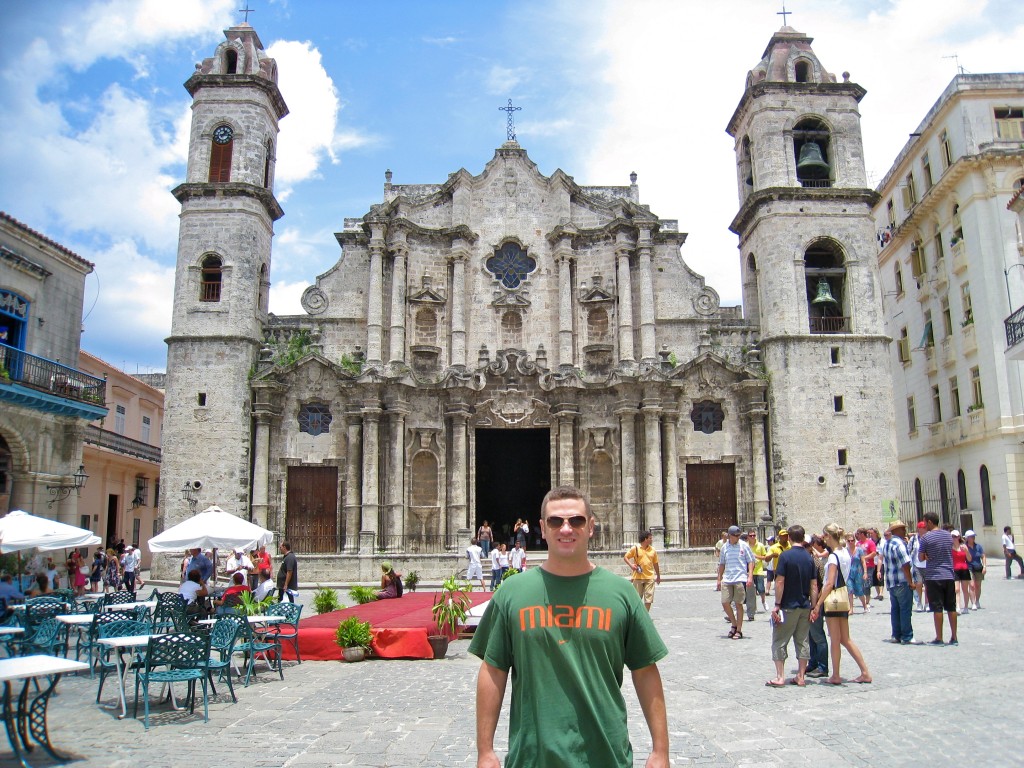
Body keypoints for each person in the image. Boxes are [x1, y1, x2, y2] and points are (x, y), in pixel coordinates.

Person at [470, 485, 669, 768]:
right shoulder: (511, 593)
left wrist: (660, 751)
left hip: (606, 757)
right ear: (541, 527)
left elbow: (646, 670)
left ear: (590, 526)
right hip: (533, 758)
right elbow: (493, 669)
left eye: (576, 520)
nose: (566, 528)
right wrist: (485, 751)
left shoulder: (621, 594)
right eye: (555, 521)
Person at [811, 524, 872, 684]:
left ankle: (836, 675)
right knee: (845, 639)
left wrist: (818, 604)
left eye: (824, 536)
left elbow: (829, 583)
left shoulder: (833, 557)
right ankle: (864, 671)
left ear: (829, 537)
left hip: (833, 598)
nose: (823, 539)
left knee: (836, 639)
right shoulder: (844, 552)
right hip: (843, 596)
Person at [765, 525, 817, 687]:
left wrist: (777, 604)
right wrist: (814, 607)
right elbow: (814, 585)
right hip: (805, 605)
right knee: (802, 641)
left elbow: (780, 581)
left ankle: (780, 677)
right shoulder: (809, 558)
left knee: (780, 640)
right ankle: (801, 676)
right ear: (803, 538)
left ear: (789, 538)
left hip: (788, 605)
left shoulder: (785, 556)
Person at [918, 511, 958, 645]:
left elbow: (920, 557)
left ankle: (939, 637)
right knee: (951, 607)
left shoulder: (926, 538)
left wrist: (927, 556)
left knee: (937, 608)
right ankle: (954, 637)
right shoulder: (948, 536)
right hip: (948, 574)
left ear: (930, 522)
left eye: (925, 522)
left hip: (934, 575)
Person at [717, 525, 754, 640]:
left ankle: (738, 630)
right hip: (728, 578)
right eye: (735, 536)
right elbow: (722, 563)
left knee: (739, 604)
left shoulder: (744, 546)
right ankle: (733, 623)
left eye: (738, 535)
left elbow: (751, 561)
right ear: (729, 536)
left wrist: (750, 576)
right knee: (725, 602)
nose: (737, 537)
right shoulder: (724, 547)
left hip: (740, 578)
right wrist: (719, 579)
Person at [881, 521, 915, 644]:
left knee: (895, 609)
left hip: (891, 581)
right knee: (905, 609)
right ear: (896, 530)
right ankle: (907, 636)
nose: (904, 531)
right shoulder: (899, 544)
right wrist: (911, 582)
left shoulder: (887, 543)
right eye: (902, 529)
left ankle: (896, 635)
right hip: (901, 581)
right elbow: (905, 564)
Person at [805, 534, 830, 679]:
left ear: (810, 546)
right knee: (810, 635)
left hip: (815, 603)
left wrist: (816, 604)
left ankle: (822, 667)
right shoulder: (809, 560)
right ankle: (813, 662)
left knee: (818, 635)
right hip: (808, 602)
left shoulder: (816, 563)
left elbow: (822, 583)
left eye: (805, 546)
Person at [623, 530, 661, 613]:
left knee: (649, 598)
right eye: (650, 538)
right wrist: (631, 565)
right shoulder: (635, 548)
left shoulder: (653, 550)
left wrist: (658, 576)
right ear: (645, 539)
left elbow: (655, 563)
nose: (652, 540)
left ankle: (645, 615)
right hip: (638, 577)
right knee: (636, 599)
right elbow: (625, 557)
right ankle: (636, 615)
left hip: (650, 577)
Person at [746, 529, 768, 619]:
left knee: (761, 588)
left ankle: (763, 602)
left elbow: (765, 557)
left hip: (759, 570)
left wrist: (756, 556)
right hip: (749, 571)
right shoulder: (745, 546)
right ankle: (753, 608)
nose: (752, 537)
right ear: (748, 537)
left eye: (754, 535)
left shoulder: (760, 545)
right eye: (751, 535)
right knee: (751, 592)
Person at [950, 530, 973, 614]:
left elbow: (969, 559)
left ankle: (966, 607)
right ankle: (958, 607)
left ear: (959, 537)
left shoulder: (963, 547)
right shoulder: (950, 548)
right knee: (956, 589)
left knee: (964, 589)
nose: (954, 538)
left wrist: (966, 551)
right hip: (955, 569)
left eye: (955, 536)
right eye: (952, 536)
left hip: (964, 569)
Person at [846, 532, 869, 614]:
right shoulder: (845, 551)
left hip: (858, 572)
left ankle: (865, 606)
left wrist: (865, 572)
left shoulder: (859, 550)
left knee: (859, 590)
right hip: (849, 573)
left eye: (852, 540)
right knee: (850, 590)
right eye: (849, 541)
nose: (850, 542)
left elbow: (863, 562)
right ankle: (851, 608)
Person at [964, 530, 986, 609]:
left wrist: (984, 566)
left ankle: (977, 600)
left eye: (973, 536)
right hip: (969, 567)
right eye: (971, 537)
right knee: (972, 585)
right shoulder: (964, 547)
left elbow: (983, 556)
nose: (973, 538)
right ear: (967, 538)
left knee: (978, 585)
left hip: (978, 567)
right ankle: (973, 603)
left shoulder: (978, 547)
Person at [910, 522, 928, 611]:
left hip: (928, 564)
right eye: (921, 528)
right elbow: (909, 550)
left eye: (924, 528)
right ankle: (919, 602)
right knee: (918, 584)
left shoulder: (929, 538)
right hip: (917, 564)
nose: (923, 530)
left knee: (928, 584)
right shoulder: (914, 539)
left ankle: (927, 603)